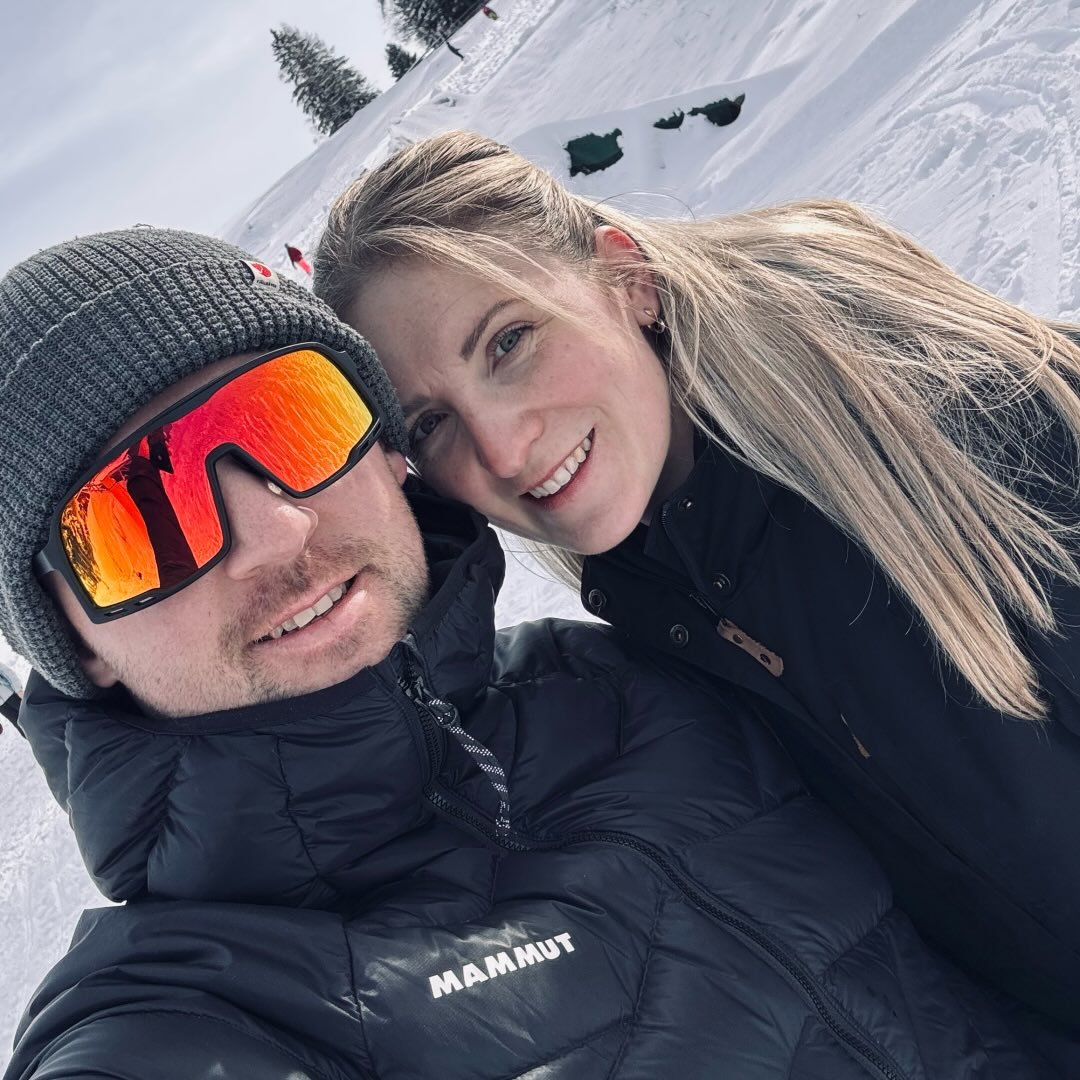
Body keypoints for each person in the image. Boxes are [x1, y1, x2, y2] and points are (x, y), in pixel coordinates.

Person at [0, 228, 1063, 1079]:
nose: (277, 531)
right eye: (138, 518)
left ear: (382, 448)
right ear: (74, 644)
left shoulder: (636, 677)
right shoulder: (187, 1017)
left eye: (291, 422)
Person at [312, 129, 1080, 1033]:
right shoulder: (664, 618)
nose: (502, 450)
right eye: (432, 424)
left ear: (627, 280)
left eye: (509, 342)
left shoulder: (970, 424)